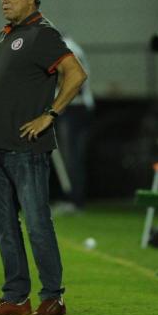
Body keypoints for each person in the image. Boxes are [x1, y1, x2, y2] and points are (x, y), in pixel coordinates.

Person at [0, 0, 87, 315]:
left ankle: (53, 296)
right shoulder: (5, 34)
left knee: (37, 224)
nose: (4, 0)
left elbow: (76, 74)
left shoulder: (42, 34)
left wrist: (50, 115)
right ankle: (16, 298)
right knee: (3, 227)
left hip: (26, 150)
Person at [53, 35, 95, 213]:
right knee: (69, 157)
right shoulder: (68, 46)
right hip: (71, 108)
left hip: (74, 109)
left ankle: (75, 201)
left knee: (72, 157)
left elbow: (73, 78)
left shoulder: (65, 48)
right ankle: (72, 198)